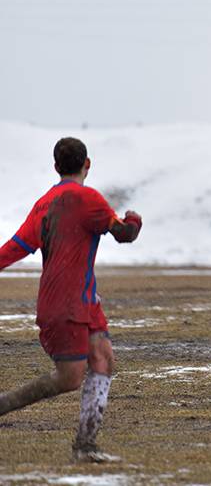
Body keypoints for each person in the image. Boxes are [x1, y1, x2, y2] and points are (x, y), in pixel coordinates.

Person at [0, 137, 142, 463]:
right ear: (87, 164)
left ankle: (85, 445)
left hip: (80, 300)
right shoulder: (88, 198)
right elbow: (123, 234)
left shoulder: (43, 203)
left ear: (55, 167)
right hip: (66, 303)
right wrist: (135, 220)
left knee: (103, 358)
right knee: (70, 378)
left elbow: (15, 247)